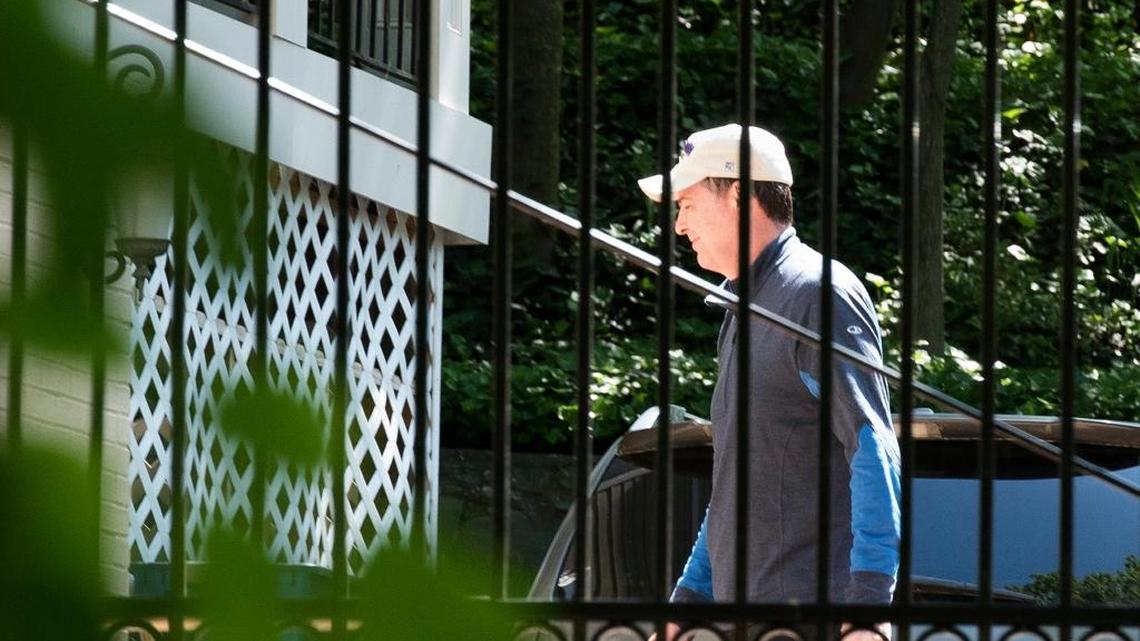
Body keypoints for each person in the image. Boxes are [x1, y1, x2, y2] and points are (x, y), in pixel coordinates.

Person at [638, 124, 902, 641]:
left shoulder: (817, 294)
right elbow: (733, 488)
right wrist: (686, 604)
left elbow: (874, 447)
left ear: (738, 195)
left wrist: (869, 611)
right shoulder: (742, 307)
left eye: (687, 204)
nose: (678, 225)